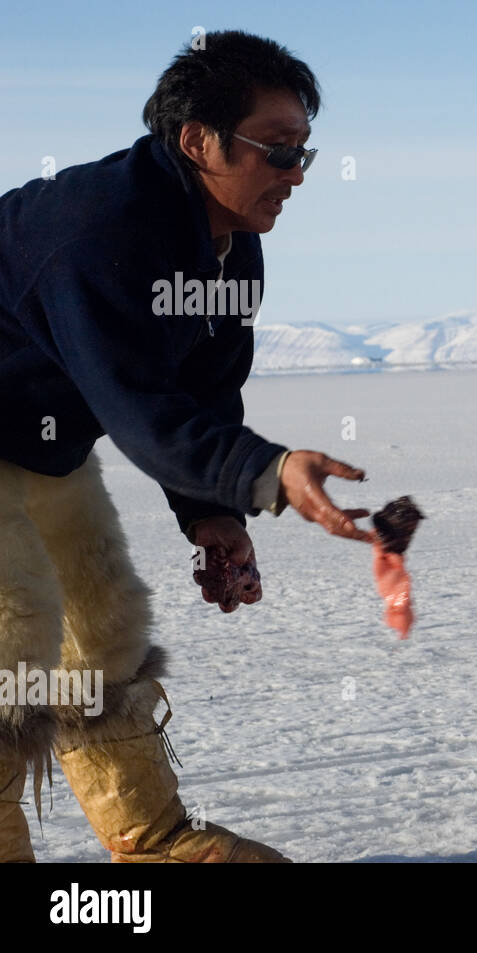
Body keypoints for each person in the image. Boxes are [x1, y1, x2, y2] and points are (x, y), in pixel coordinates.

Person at [0, 31, 374, 862]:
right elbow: (139, 408)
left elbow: (202, 388)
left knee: (102, 629)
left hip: (38, 443)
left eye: (305, 150)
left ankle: (153, 836)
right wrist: (269, 471)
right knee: (12, 644)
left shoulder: (232, 245)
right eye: (278, 151)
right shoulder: (97, 232)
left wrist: (212, 513)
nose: (299, 174)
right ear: (197, 139)